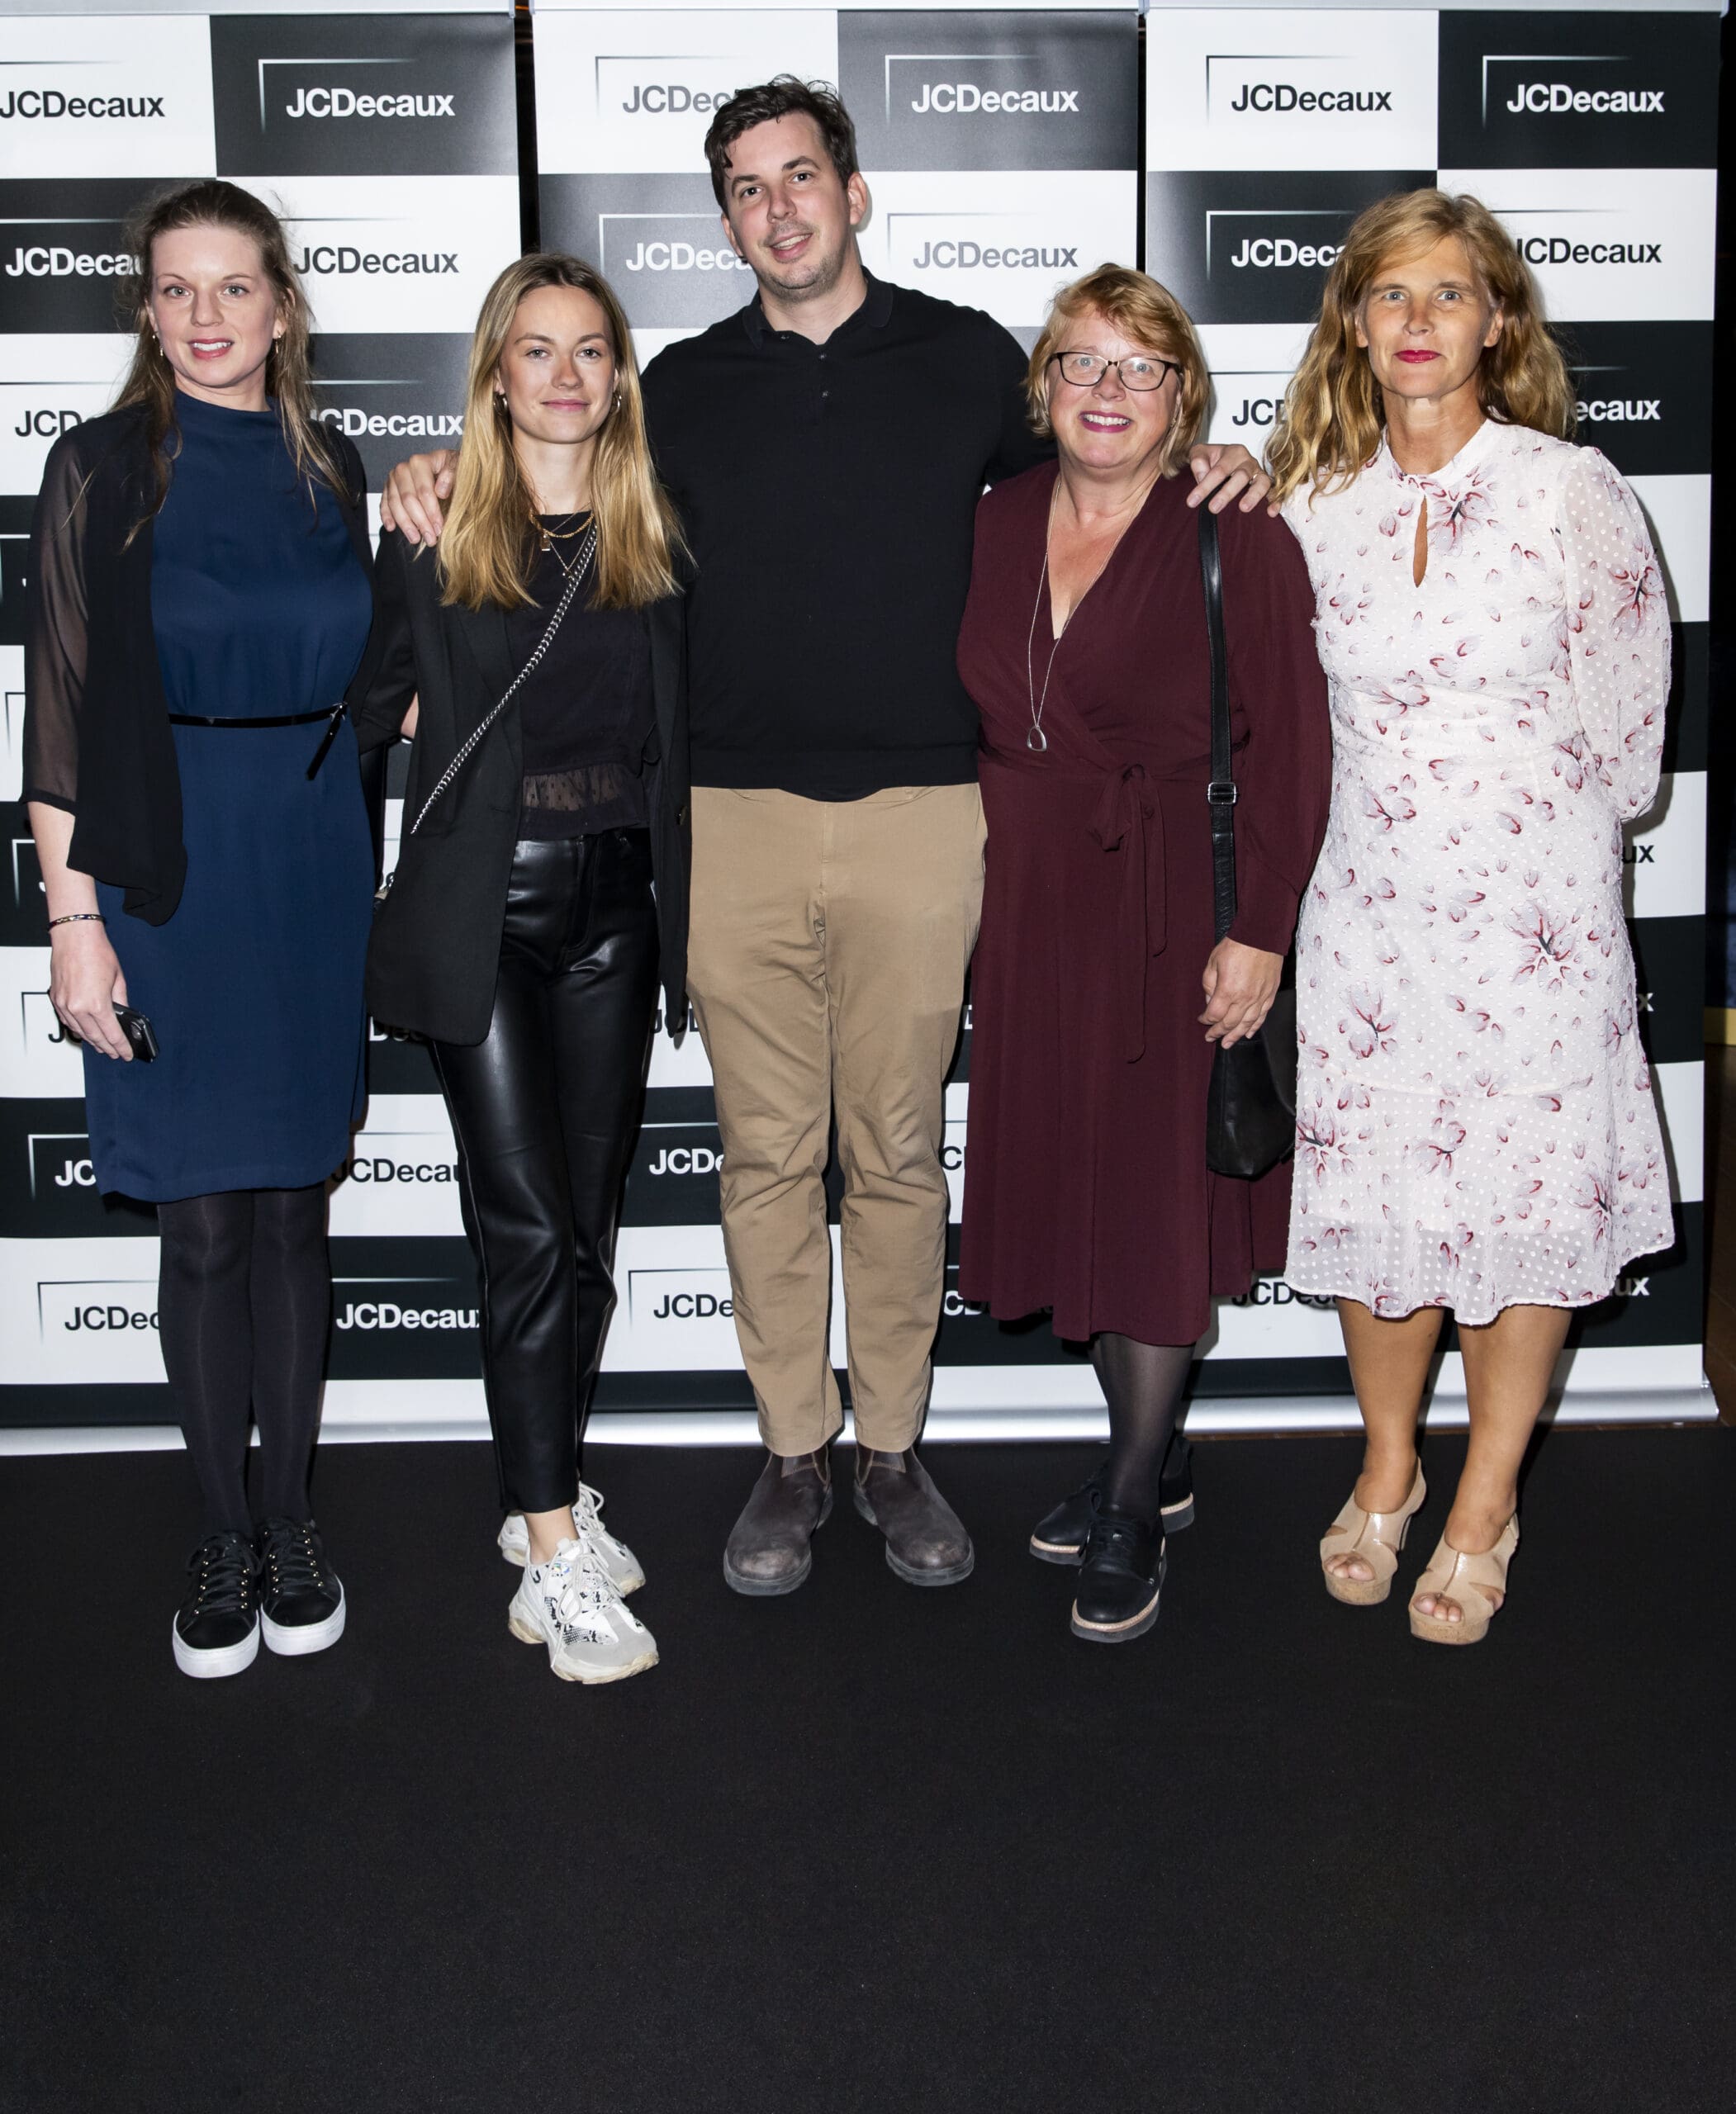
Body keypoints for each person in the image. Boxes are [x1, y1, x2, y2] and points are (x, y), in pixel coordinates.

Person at [380, 78, 1272, 1600]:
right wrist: (434, 467)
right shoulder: (680, 385)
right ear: (724, 220)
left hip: (928, 814)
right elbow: (553, 469)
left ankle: (893, 1449)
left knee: (899, 1156)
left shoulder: (968, 359)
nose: (776, 207)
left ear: (853, 193)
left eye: (799, 176)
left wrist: (1216, 461)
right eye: (745, 187)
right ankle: (794, 1450)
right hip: (726, 823)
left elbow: (1102, 460)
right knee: (765, 1158)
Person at [1267, 190, 1672, 1644]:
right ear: (1353, 323)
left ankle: (1483, 1503)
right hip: (1365, 920)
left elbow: (1631, 744)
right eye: (1389, 294)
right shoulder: (1308, 503)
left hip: (1534, 924)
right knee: (1382, 1203)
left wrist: (1529, 848)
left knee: (1522, 1205)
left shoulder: (1570, 488)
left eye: (1448, 293)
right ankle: (1385, 1471)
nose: (1418, 321)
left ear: (1496, 320)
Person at [24, 180, 374, 1678]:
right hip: (164, 870)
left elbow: (382, 670)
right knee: (206, 1224)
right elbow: (57, 715)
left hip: (309, 860)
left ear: (281, 307)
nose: (206, 315)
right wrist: (73, 923)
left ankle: (293, 1519)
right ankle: (222, 1531)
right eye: (177, 289)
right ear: (147, 311)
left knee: (294, 1212)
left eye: (235, 286)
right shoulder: (98, 467)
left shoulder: (330, 464)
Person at [956, 267, 1331, 1642]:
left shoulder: (1235, 530)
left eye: (1140, 368)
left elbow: (1293, 746)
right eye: (1081, 362)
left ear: (1184, 397)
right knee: (1080, 1181)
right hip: (1028, 904)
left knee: (1152, 1198)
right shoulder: (994, 517)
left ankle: (1127, 1496)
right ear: (1042, 385)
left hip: (1175, 908)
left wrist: (1261, 930)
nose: (1106, 391)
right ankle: (1152, 1454)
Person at [353, 254, 687, 1685]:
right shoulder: (434, 530)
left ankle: (539, 1487)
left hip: (619, 903)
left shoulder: (659, 533)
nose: (563, 374)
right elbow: (366, 704)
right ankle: (551, 1551)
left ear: (617, 377)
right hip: (481, 910)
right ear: (496, 372)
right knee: (528, 1227)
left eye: (589, 350)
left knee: (588, 1228)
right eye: (535, 349)